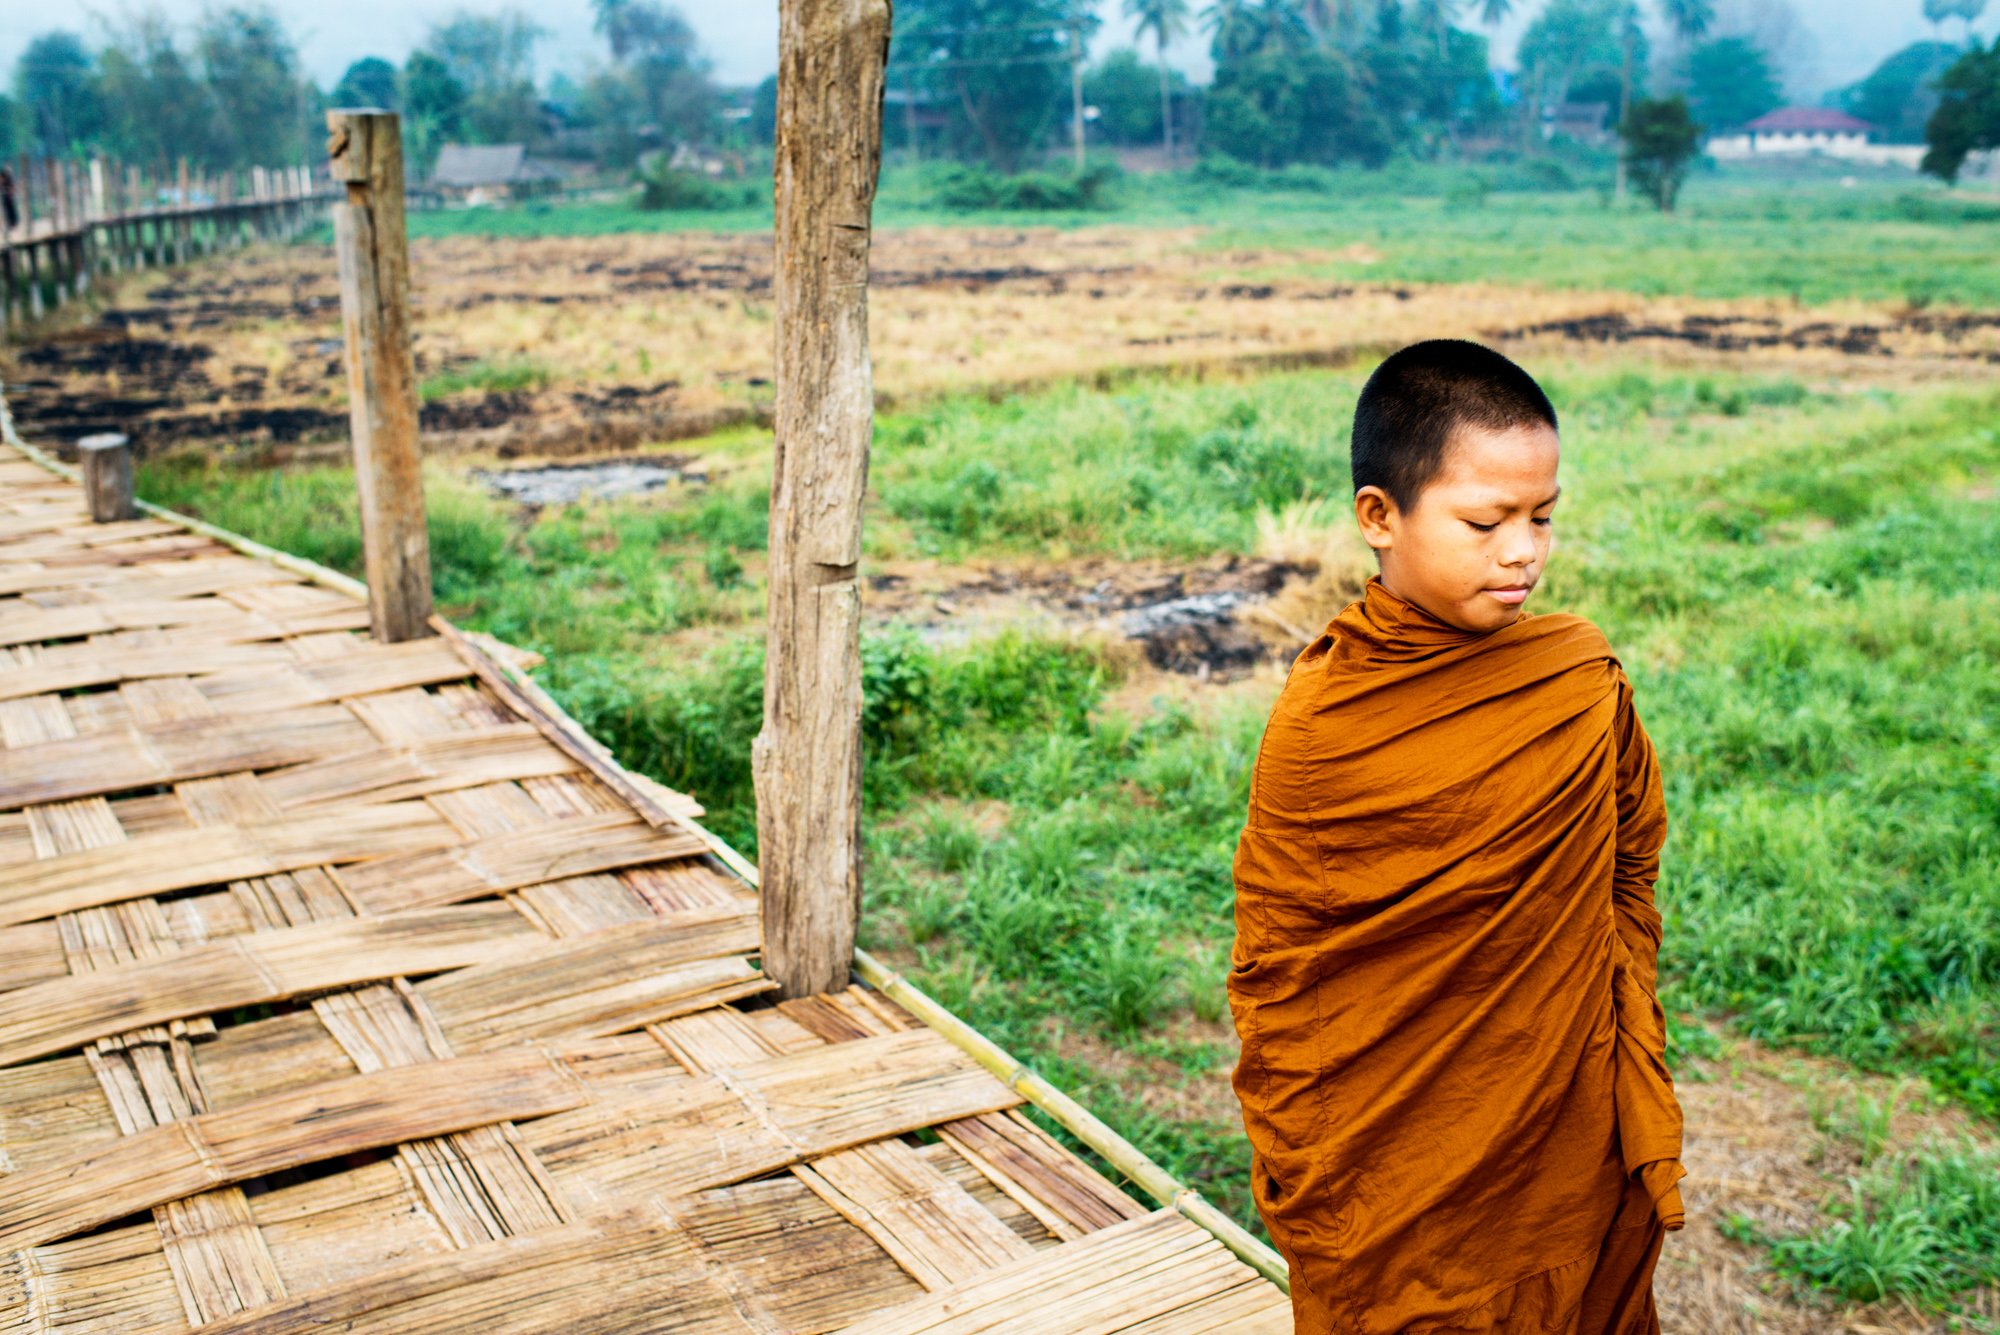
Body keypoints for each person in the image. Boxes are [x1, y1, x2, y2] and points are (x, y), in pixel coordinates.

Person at [1228, 339, 1684, 1334]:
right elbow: (1283, 972)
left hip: (1567, 1122)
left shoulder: (1572, 675)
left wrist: (1587, 1026)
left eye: (1542, 518)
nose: (1521, 551)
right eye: (1484, 522)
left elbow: (1627, 858)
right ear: (1377, 518)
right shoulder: (1322, 729)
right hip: (1398, 1165)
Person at [0, 167, 16, 233]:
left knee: (10, 211)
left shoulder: (8, 180)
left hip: (8, 199)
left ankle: (12, 224)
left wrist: (10, 193)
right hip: (3, 199)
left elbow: (12, 189)